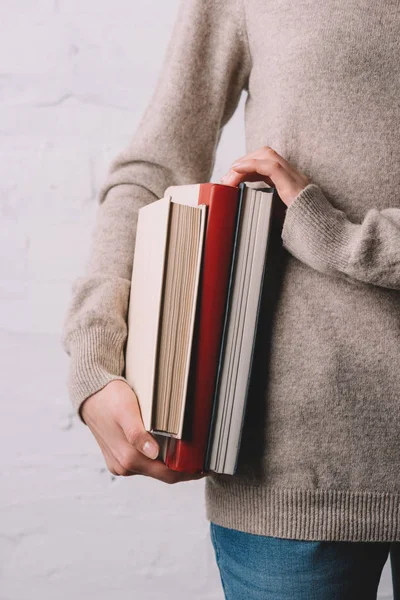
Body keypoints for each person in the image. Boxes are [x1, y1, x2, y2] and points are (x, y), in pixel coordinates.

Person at [62, 0, 400, 598]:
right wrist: (95, 354)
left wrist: (337, 237)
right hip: (290, 465)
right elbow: (154, 166)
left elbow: (328, 234)